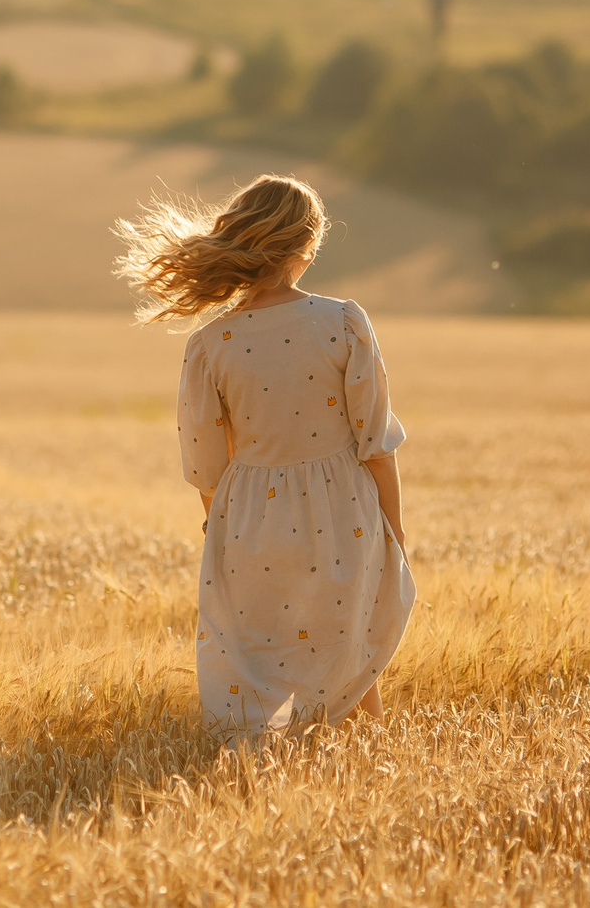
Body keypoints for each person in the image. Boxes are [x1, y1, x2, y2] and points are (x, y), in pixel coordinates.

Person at [114, 174, 413, 738]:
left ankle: (255, 770)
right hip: (342, 507)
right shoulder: (344, 321)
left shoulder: (209, 343)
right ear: (307, 245)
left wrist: (221, 521)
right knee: (352, 641)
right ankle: (373, 764)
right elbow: (375, 443)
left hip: (250, 514)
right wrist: (393, 528)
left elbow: (204, 464)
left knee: (260, 654)